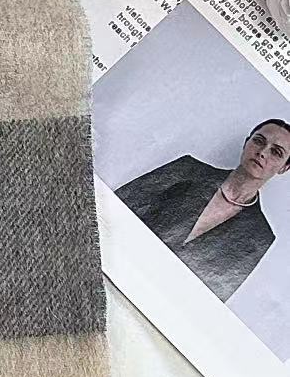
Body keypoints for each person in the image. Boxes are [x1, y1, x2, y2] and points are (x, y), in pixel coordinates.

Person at [115, 119, 290, 302]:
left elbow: (211, 299)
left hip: (155, 303)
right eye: (259, 141)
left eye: (276, 152)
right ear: (247, 143)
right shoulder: (188, 170)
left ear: (284, 167)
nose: (262, 152)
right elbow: (117, 204)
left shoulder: (259, 236)